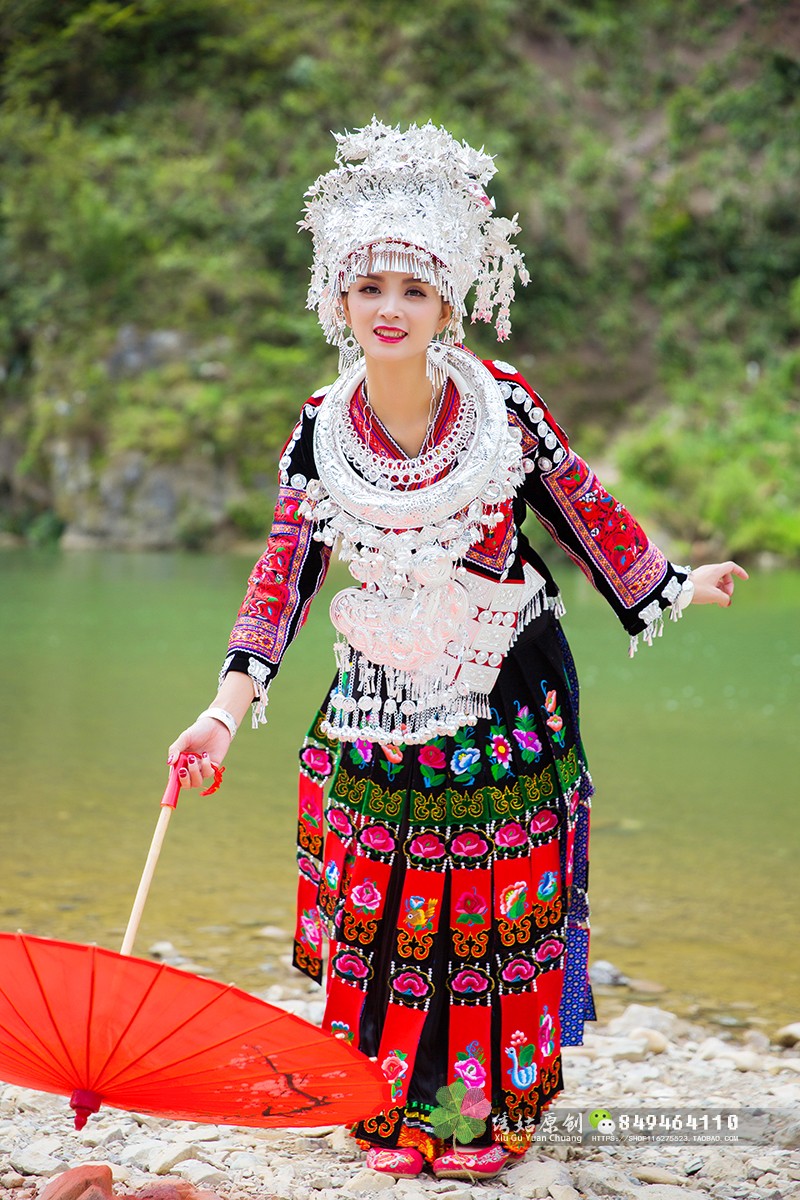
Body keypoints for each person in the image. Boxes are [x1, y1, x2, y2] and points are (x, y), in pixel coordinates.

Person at [168, 118, 747, 1182]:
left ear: (446, 306)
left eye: (413, 291)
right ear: (338, 301)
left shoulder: (500, 410)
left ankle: (482, 1119)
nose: (389, 310)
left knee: (485, 903)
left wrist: (674, 583)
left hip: (504, 700)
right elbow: (282, 576)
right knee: (389, 903)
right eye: (370, 289)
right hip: (377, 697)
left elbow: (582, 509)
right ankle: (391, 1113)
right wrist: (220, 708)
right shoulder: (317, 429)